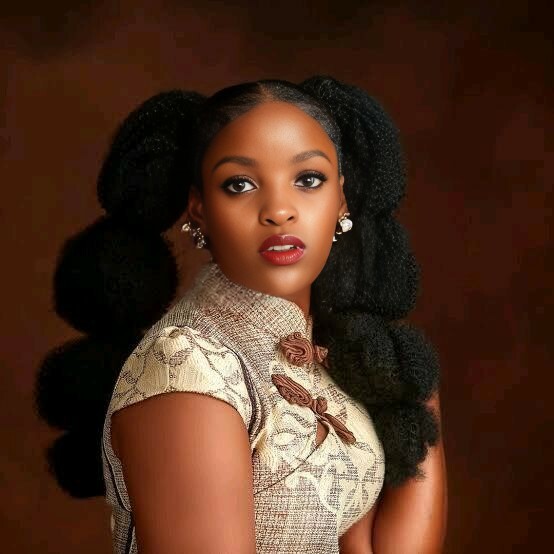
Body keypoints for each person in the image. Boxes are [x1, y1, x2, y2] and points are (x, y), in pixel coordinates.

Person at [36, 77, 447, 553]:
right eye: (240, 184)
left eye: (308, 179)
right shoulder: (186, 368)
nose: (278, 210)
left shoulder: (332, 352)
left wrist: (414, 384)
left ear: (342, 199)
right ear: (199, 209)